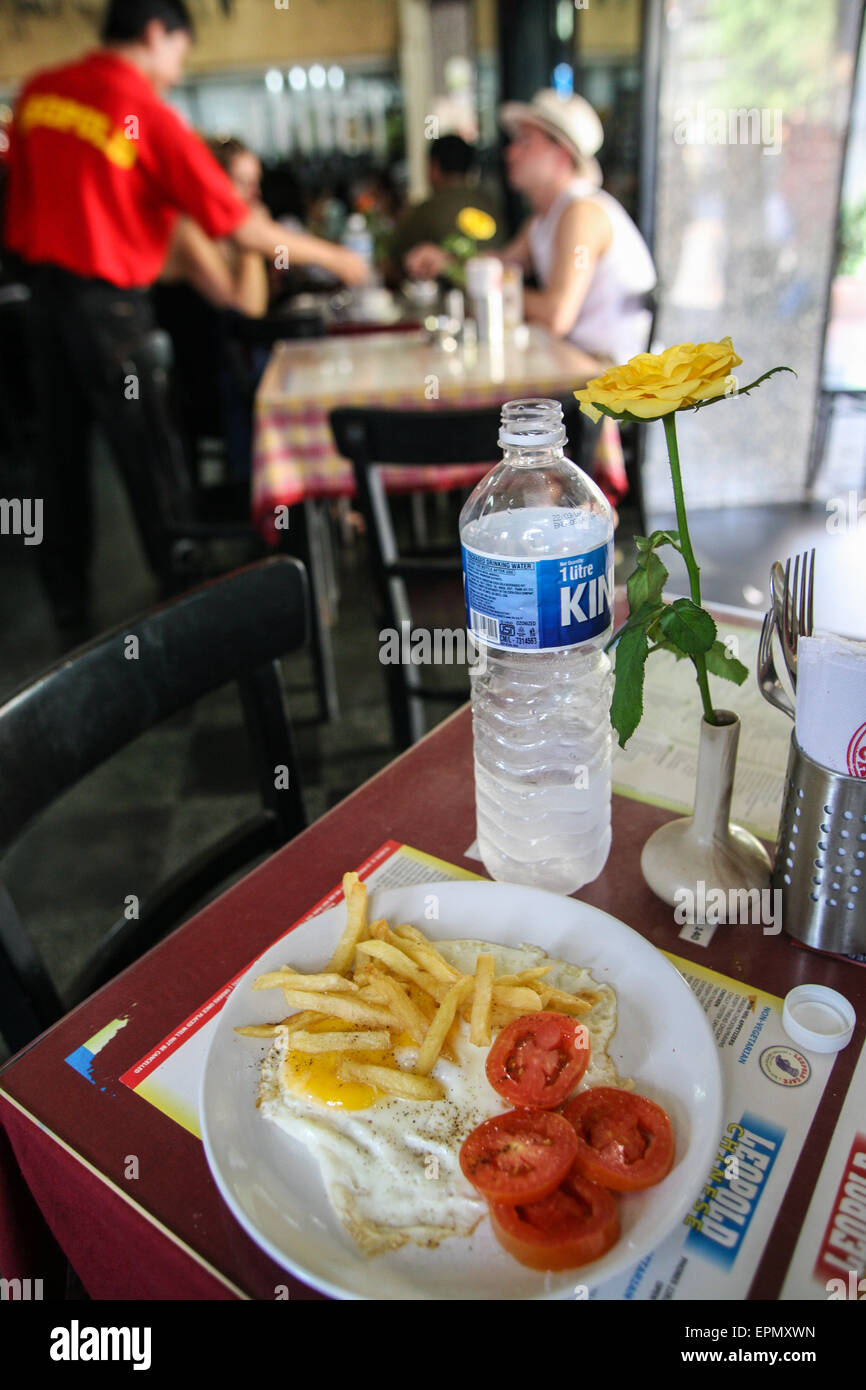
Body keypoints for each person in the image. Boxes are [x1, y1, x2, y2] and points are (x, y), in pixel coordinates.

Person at [2, 0, 367, 635]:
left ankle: (67, 608)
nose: (176, 69)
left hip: (38, 305)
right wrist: (338, 258)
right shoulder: (141, 109)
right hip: (111, 309)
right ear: (156, 33)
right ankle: (186, 605)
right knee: (149, 453)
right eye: (179, 52)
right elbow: (234, 221)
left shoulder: (37, 93)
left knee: (57, 462)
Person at [407, 91, 656, 368]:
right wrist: (447, 262)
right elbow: (497, 266)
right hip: (577, 365)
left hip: (614, 380)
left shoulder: (582, 213)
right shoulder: (544, 219)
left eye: (525, 142)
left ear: (561, 153)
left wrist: (493, 286)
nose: (510, 152)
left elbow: (556, 316)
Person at [389, 134, 503, 282]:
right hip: (498, 290)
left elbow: (395, 264)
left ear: (434, 168)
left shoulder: (427, 209)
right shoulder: (491, 201)